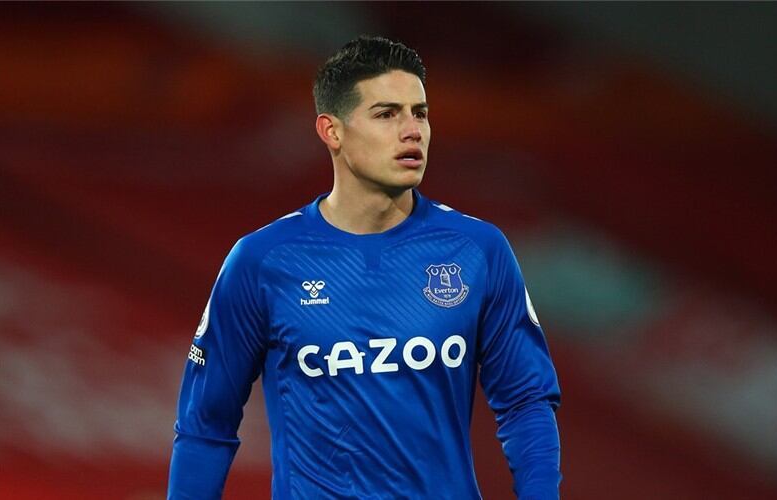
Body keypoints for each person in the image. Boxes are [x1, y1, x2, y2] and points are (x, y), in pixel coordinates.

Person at [168, 35, 561, 500]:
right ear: (332, 131)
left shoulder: (477, 250)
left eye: (420, 113)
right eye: (387, 114)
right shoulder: (264, 261)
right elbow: (205, 424)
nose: (412, 130)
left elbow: (526, 401)